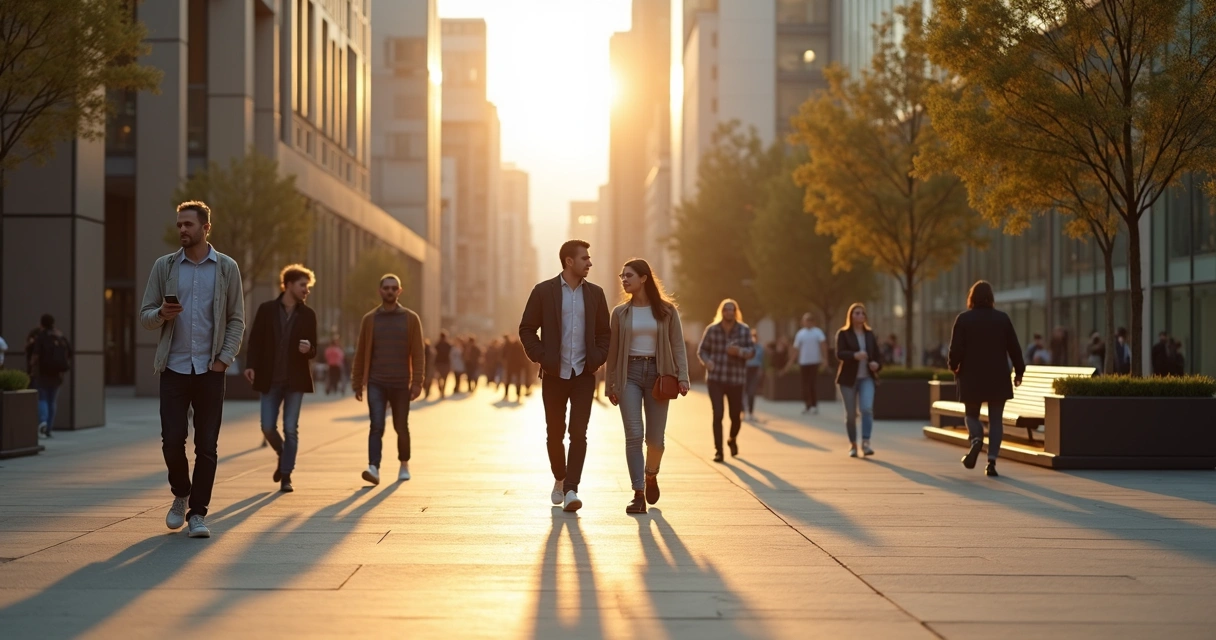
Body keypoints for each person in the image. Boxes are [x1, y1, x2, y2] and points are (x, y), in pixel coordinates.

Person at [139, 200, 245, 538]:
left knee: (207, 446)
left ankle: (198, 513)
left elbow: (236, 320)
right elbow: (145, 316)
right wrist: (161, 316)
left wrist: (223, 360)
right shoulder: (165, 266)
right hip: (173, 367)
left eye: (189, 224)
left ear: (205, 227)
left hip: (210, 370)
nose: (182, 230)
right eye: (179, 225)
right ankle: (180, 494)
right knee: (172, 441)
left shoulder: (227, 268)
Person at [519, 239, 611, 512]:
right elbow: (526, 329)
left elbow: (604, 334)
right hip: (554, 374)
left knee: (579, 433)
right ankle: (559, 477)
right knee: (554, 433)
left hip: (583, 374)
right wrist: (543, 357)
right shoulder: (543, 291)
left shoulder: (595, 293)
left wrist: (596, 359)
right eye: (585, 258)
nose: (590, 262)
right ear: (569, 261)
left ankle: (572, 489)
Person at [606, 259, 690, 515]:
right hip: (628, 375)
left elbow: (677, 345)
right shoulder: (620, 313)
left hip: (658, 375)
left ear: (643, 278)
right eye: (622, 276)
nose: (623, 279)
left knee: (655, 441)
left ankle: (651, 474)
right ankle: (638, 493)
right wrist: (611, 383)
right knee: (633, 435)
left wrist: (683, 376)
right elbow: (613, 351)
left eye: (628, 275)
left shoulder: (666, 311)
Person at [244, 265, 318, 493]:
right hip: (270, 379)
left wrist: (309, 349)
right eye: (302, 285)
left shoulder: (308, 314)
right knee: (267, 427)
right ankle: (283, 453)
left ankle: (286, 475)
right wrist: (250, 365)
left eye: (308, 286)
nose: (306, 290)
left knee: (290, 428)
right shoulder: (266, 309)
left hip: (294, 381)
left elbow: (314, 349)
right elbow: (255, 339)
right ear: (288, 285)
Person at [351, 274, 426, 485]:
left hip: (401, 383)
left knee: (401, 426)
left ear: (399, 291)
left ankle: (404, 464)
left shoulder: (411, 319)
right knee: (376, 425)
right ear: (380, 291)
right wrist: (357, 382)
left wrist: (417, 382)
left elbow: (418, 353)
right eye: (386, 288)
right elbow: (361, 352)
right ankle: (373, 467)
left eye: (394, 288)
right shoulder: (370, 319)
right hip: (376, 382)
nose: (390, 291)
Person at [947, 281, 1026, 478]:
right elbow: (1014, 348)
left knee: (971, 415)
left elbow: (955, 349)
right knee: (996, 419)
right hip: (997, 375)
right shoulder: (1002, 319)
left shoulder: (964, 319)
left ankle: (976, 440)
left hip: (971, 376)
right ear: (991, 298)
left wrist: (953, 365)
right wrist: (1019, 372)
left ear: (971, 298)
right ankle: (991, 463)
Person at [697, 298, 755, 463]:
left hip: (736, 379)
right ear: (721, 312)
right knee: (718, 414)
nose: (728, 312)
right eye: (725, 309)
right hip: (716, 378)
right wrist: (707, 362)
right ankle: (719, 451)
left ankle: (732, 438)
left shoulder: (744, 330)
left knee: (735, 416)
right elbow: (702, 350)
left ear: (735, 312)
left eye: (732, 309)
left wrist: (740, 352)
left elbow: (752, 351)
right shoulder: (712, 330)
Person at [835, 303, 882, 458]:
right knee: (850, 414)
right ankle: (853, 444)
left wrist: (876, 365)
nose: (860, 315)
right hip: (848, 380)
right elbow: (839, 353)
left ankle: (866, 442)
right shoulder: (843, 334)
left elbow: (877, 355)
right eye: (856, 313)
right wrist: (854, 355)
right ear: (851, 315)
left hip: (866, 378)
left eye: (862, 313)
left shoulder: (869, 334)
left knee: (867, 409)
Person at [28, 314, 73, 438]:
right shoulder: (59, 336)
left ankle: (43, 422)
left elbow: (36, 354)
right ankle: (49, 428)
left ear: (41, 323)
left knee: (42, 398)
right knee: (52, 401)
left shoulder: (41, 336)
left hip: (43, 372)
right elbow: (70, 351)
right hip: (57, 373)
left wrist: (32, 366)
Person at [791, 312, 828, 415]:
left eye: (809, 320)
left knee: (812, 384)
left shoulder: (818, 332)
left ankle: (814, 405)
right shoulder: (800, 334)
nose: (807, 322)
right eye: (805, 320)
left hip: (814, 361)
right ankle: (807, 405)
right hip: (803, 362)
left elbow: (823, 345)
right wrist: (791, 361)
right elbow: (796, 349)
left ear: (813, 322)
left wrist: (825, 359)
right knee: (804, 385)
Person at [744, 330, 764, 420]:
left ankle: (751, 412)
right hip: (746, 369)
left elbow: (761, 360)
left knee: (752, 392)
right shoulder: (745, 347)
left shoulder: (759, 348)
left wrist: (760, 370)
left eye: (755, 336)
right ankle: (743, 411)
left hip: (755, 369)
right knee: (744, 392)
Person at [434, 331, 452, 398]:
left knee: (440, 378)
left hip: (441, 363)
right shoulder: (447, 345)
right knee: (443, 378)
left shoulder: (438, 345)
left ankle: (441, 390)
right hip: (444, 363)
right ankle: (442, 390)